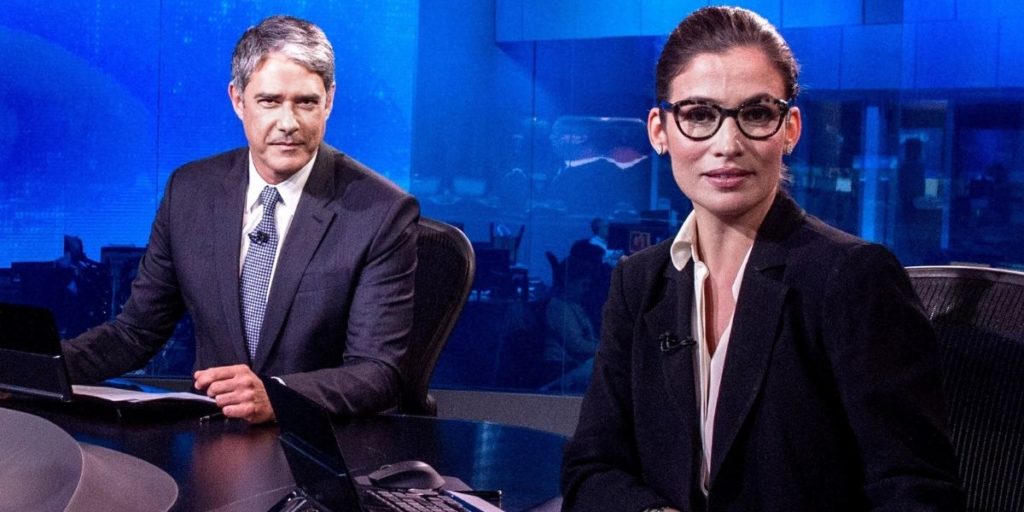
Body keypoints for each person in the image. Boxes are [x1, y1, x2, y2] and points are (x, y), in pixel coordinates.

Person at [561, 7, 962, 511]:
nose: (727, 145)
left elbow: (916, 493)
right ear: (660, 131)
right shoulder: (639, 283)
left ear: (789, 129)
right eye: (699, 115)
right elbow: (592, 470)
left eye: (755, 114)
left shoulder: (852, 278)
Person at [62, 15, 419, 424]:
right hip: (213, 440)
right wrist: (37, 370)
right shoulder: (189, 192)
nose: (289, 123)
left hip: (321, 446)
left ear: (329, 101)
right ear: (238, 100)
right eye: (269, 101)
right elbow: (135, 333)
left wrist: (278, 397)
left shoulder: (380, 212)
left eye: (306, 102)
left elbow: (377, 373)